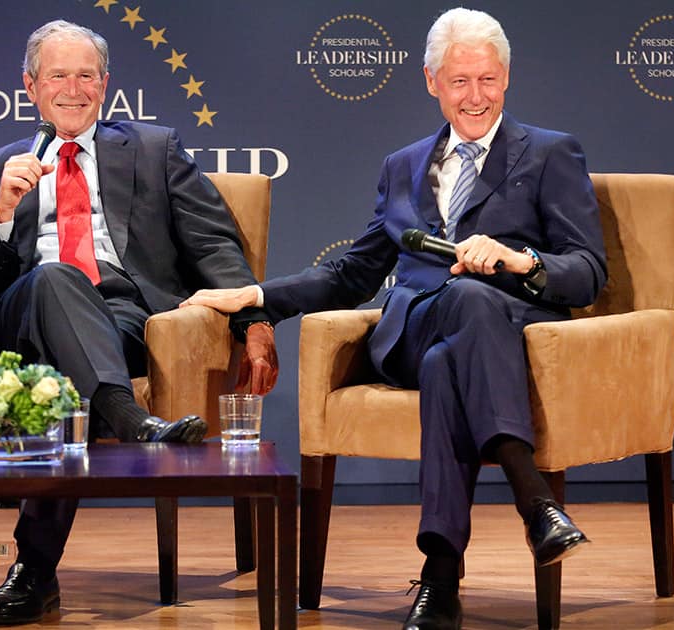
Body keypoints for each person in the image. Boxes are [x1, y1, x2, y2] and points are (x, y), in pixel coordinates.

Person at [181, 7, 606, 629]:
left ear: (507, 78)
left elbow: (588, 271)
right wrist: (255, 297)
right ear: (432, 81)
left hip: (499, 337)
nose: (475, 97)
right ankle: (532, 496)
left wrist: (519, 259)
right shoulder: (403, 165)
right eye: (459, 81)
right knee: (456, 313)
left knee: (456, 341)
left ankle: (439, 577)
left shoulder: (548, 154)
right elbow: (353, 272)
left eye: (487, 80)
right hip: (408, 333)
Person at [0, 20, 277, 625]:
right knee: (56, 278)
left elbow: (214, 244)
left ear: (105, 85)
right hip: (28, 317)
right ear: (31, 87)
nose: (73, 88)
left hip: (125, 318)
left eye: (86, 75)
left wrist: (254, 322)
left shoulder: (154, 148)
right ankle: (131, 420)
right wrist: (3, 211)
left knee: (67, 372)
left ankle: (33, 573)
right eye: (58, 75)